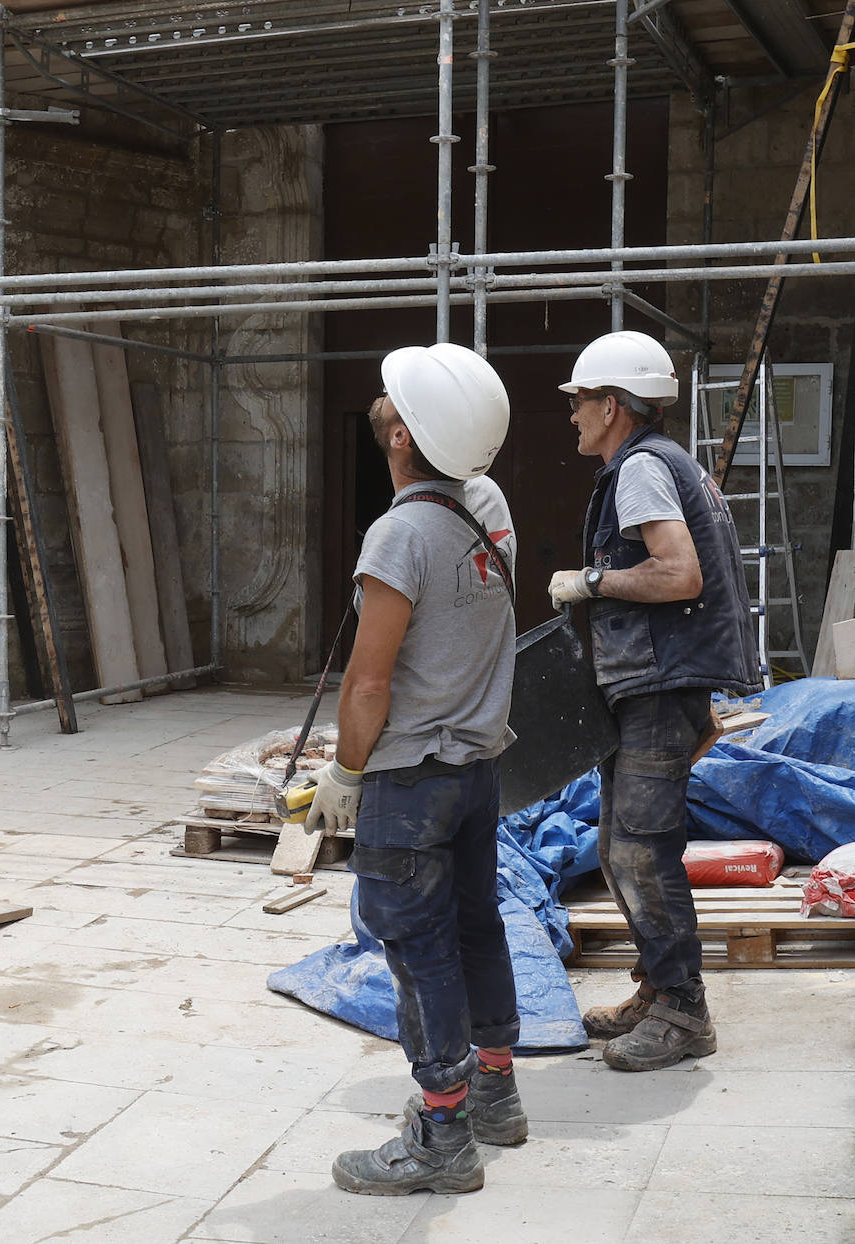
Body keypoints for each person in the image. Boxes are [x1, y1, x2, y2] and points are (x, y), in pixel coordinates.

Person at [310, 343, 522, 1197]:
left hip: (412, 780)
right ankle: (498, 1091)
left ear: (401, 437)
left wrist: (345, 773)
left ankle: (443, 1135)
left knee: (419, 950)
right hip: (477, 770)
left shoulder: (399, 533)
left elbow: (368, 680)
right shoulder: (490, 505)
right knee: (479, 926)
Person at [549, 330, 760, 1071]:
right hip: (659, 684)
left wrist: (592, 581)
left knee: (641, 848)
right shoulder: (662, 465)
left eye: (580, 402)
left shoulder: (640, 470)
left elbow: (680, 576)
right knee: (617, 846)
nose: (573, 415)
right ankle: (655, 985)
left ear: (613, 405)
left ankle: (682, 1011)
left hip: (663, 683)